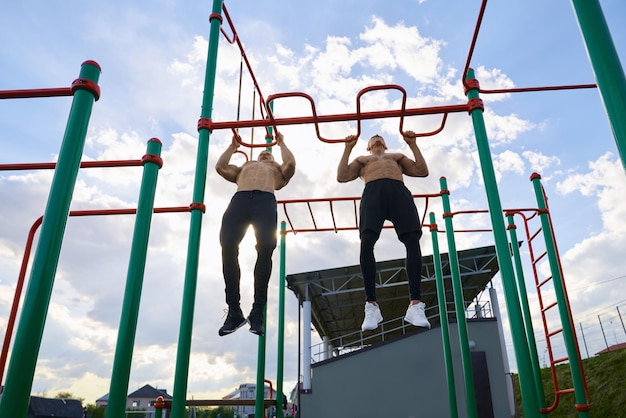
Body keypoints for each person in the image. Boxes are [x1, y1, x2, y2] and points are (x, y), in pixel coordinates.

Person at [336, 131, 431, 331]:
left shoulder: (396, 157)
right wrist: (347, 149)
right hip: (373, 192)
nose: (377, 136)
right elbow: (342, 177)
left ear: (385, 145)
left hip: (398, 191)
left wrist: (412, 144)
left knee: (412, 240)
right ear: (368, 146)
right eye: (373, 138)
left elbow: (422, 171)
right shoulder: (363, 160)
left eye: (380, 138)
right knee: (367, 240)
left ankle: (415, 305)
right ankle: (371, 305)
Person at [215, 131, 296, 337]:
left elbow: (291, 164)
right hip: (240, 200)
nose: (264, 155)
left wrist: (281, 143)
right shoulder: (245, 166)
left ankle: (257, 310)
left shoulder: (277, 170)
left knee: (266, 248)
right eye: (262, 154)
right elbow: (221, 167)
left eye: (269, 155)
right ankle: (234, 311)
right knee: (227, 246)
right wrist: (232, 147)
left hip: (265, 201)